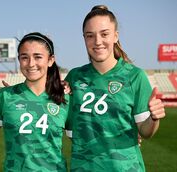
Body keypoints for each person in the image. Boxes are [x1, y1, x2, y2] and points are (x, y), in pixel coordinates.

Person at [65, 5, 166, 172]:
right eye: (90, 36)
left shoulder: (135, 76)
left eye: (104, 34)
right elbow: (65, 125)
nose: (97, 42)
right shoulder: (74, 78)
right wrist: (23, 95)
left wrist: (154, 118)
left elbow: (146, 132)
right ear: (84, 38)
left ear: (115, 36)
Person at [0, 32, 70, 171]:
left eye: (38, 57)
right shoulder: (4, 97)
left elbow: (85, 144)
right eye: (24, 57)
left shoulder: (65, 99)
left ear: (51, 60)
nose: (31, 63)